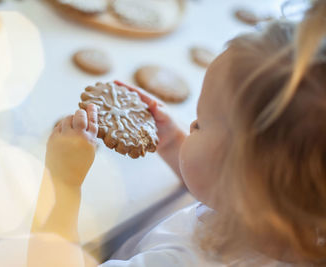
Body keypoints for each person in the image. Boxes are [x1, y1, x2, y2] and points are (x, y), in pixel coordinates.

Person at [29, 0, 326, 266]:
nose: (190, 126)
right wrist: (172, 142)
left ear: (240, 177)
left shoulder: (180, 260)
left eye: (198, 123)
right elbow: (217, 188)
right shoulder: (293, 224)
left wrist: (63, 184)